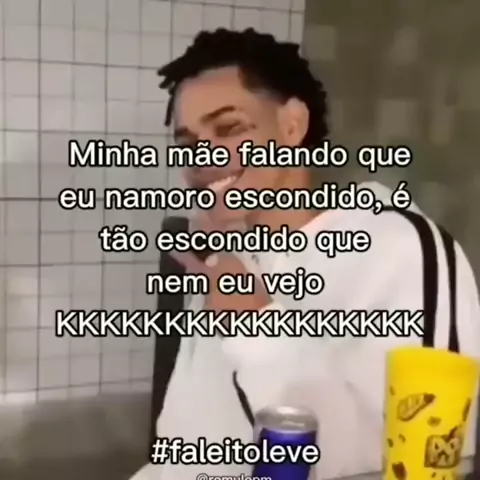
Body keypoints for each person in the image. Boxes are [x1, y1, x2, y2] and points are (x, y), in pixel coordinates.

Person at [131, 28, 480, 480]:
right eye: (189, 145)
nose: (204, 159)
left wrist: (255, 326)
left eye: (229, 129)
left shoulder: (403, 250)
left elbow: (425, 463)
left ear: (292, 125)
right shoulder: (230, 251)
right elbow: (184, 443)